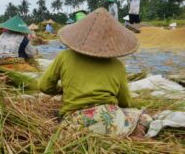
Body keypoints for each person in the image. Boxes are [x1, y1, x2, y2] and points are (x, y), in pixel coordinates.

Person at [38, 8, 152, 137]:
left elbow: (44, 86)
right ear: (111, 41)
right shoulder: (117, 65)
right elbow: (125, 102)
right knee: (144, 117)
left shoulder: (65, 56)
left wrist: (62, 90)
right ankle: (134, 138)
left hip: (74, 124)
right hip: (110, 122)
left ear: (80, 34)